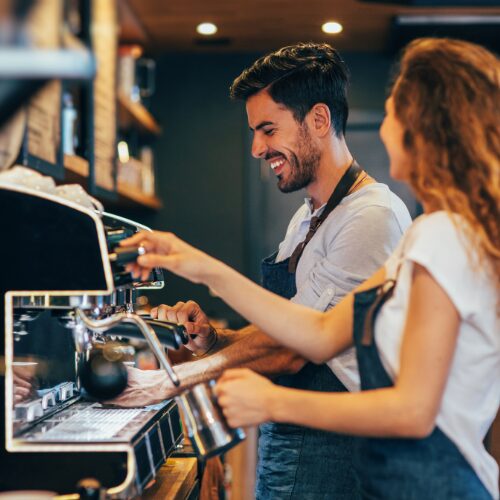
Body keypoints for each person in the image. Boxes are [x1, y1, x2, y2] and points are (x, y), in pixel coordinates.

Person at [121, 38, 499, 499]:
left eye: (393, 112)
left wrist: (273, 400)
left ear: (424, 127)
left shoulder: (439, 236)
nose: (382, 127)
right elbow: (319, 332)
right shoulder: (426, 234)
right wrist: (198, 267)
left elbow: (414, 411)